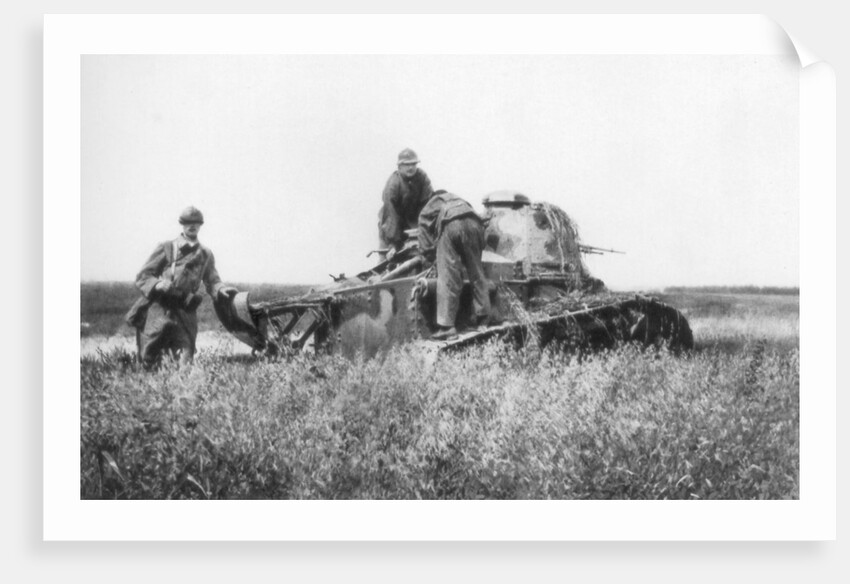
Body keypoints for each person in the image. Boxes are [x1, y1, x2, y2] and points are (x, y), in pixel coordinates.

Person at [125, 206, 238, 367]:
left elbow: (212, 280)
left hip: (185, 312)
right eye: (188, 222)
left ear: (201, 225)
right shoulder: (167, 247)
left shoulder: (206, 254)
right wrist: (157, 284)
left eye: (196, 222)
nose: (192, 226)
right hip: (160, 310)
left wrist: (220, 289)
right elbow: (143, 276)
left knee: (185, 360)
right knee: (148, 359)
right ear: (182, 225)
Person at [418, 190, 491, 340]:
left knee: (448, 277)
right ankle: (483, 319)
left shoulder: (431, 203)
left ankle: (447, 327)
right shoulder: (458, 198)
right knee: (477, 273)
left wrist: (428, 255)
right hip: (475, 225)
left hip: (452, 224)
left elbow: (423, 222)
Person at [377, 148, 434, 258]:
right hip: (391, 227)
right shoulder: (393, 184)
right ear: (399, 167)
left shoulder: (422, 177)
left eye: (413, 164)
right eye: (406, 165)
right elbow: (390, 215)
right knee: (387, 262)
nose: (410, 167)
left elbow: (429, 204)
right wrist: (392, 244)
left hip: (413, 226)